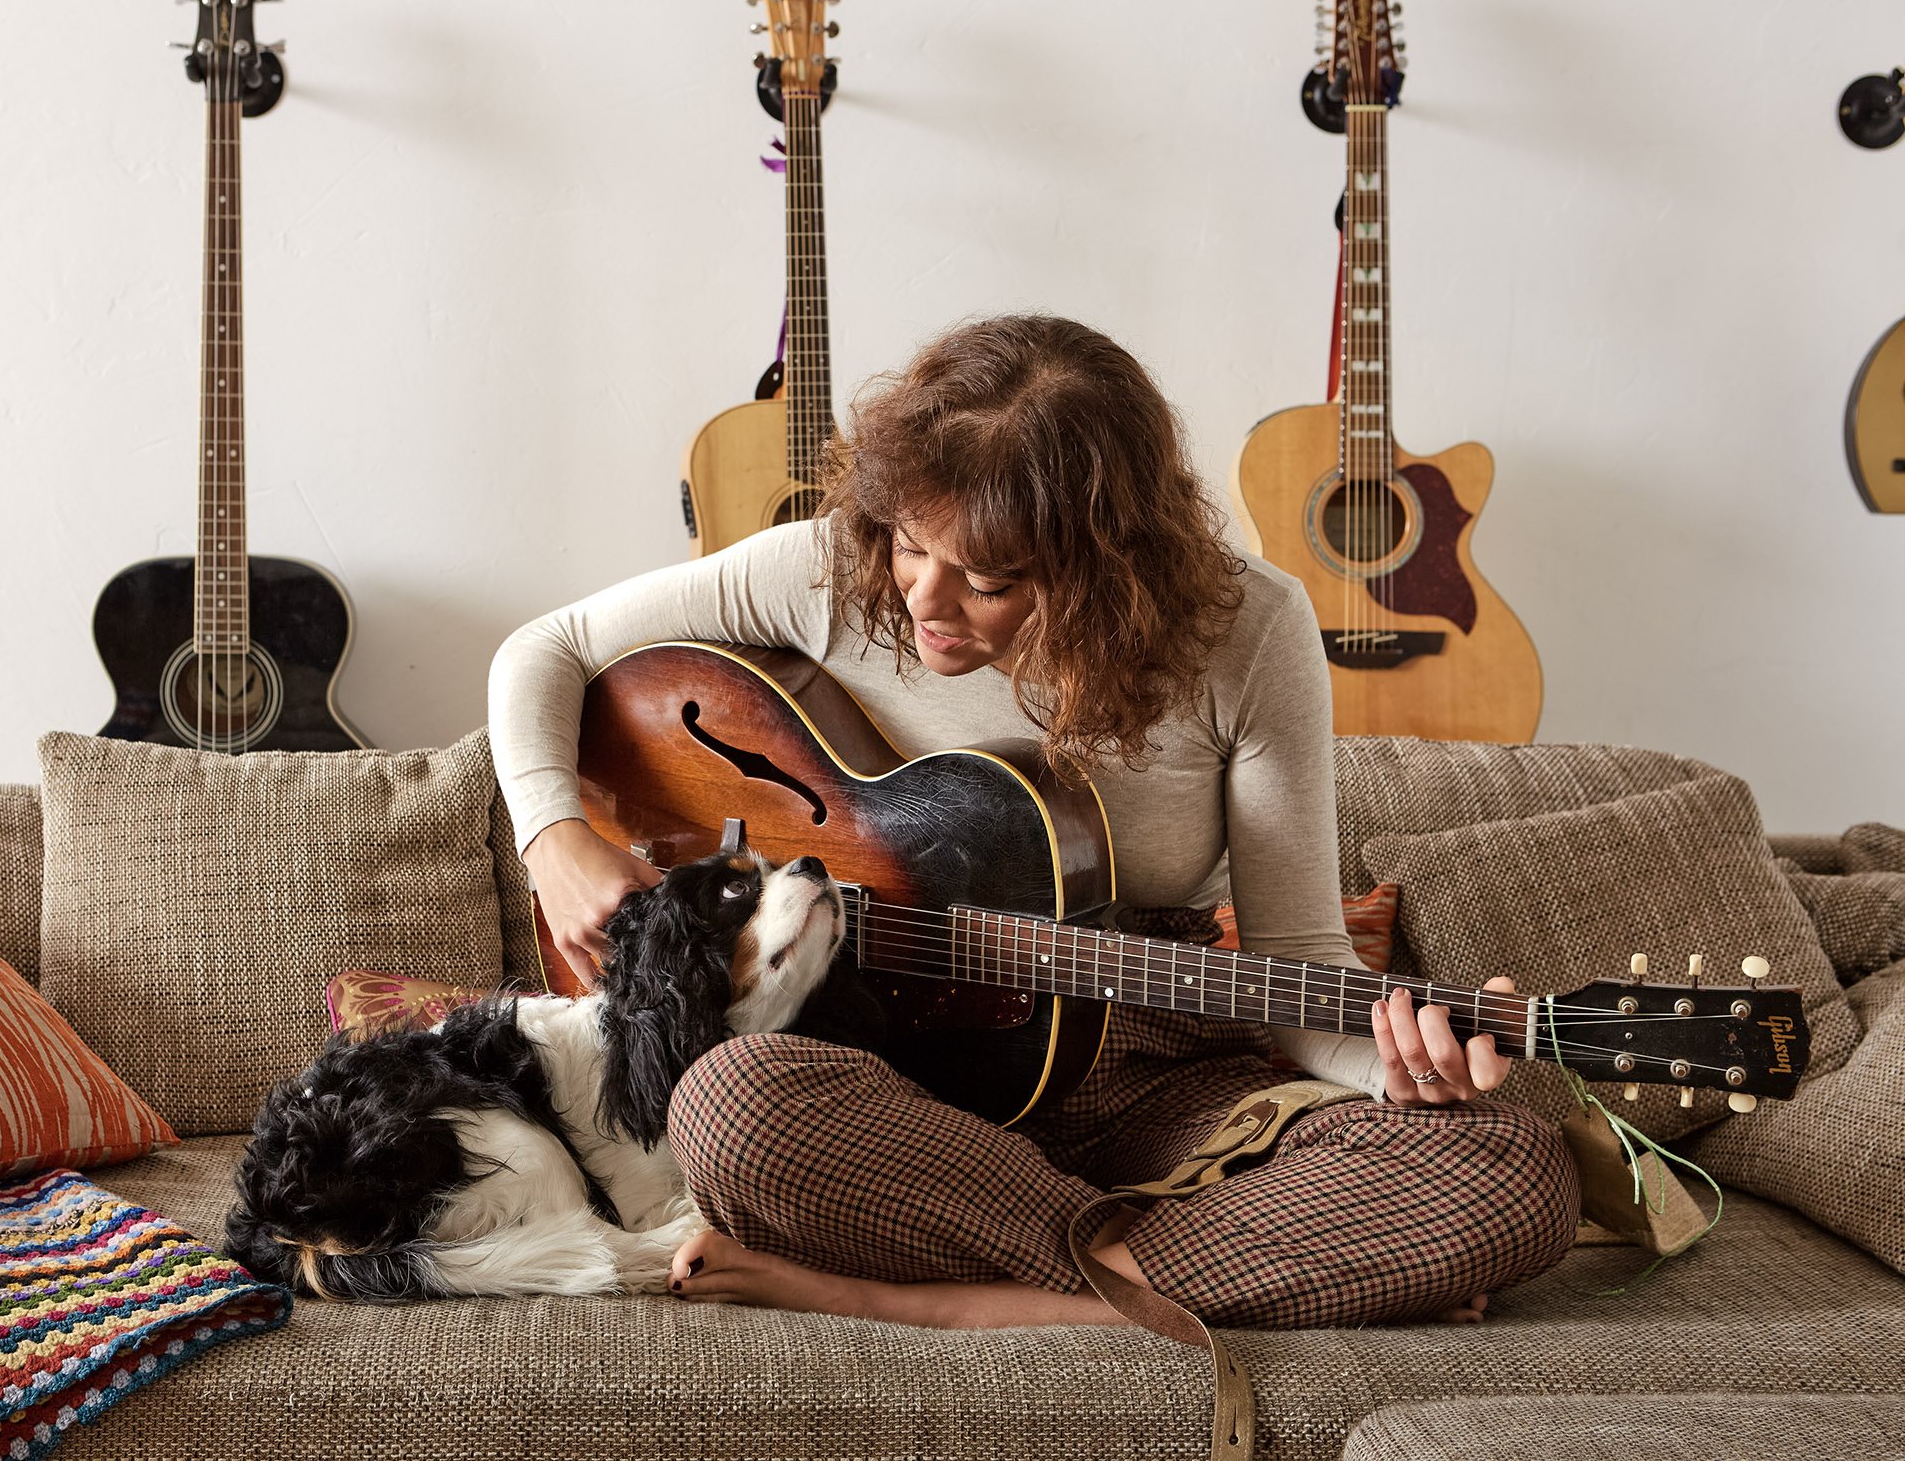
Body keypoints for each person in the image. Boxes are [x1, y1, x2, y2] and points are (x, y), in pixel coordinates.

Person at [487, 314, 1579, 1332]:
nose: (923, 599)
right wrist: (555, 842)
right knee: (728, 1104)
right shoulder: (827, 572)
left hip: (1156, 1075)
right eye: (910, 546)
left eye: (989, 579)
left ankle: (940, 1294)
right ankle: (1190, 1277)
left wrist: (1399, 1069)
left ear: (1109, 569)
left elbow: (1298, 962)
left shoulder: (1246, 629)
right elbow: (547, 649)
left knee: (1511, 1169)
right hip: (892, 1104)